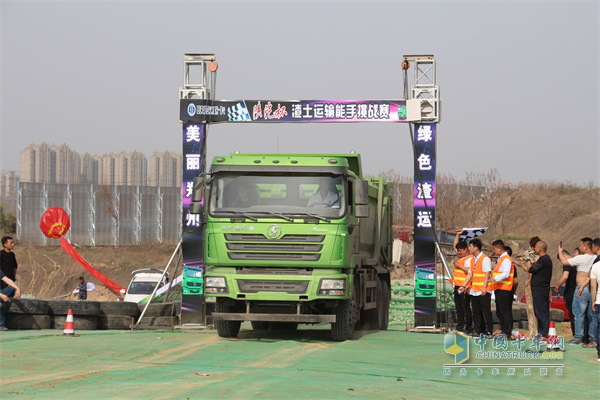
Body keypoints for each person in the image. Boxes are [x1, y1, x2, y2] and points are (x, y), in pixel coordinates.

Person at [558, 237, 597, 345]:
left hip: (581, 288)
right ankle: (592, 339)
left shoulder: (582, 258)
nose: (579, 248)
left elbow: (564, 261)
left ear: (585, 247)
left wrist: (560, 252)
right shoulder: (596, 258)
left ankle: (578, 337)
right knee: (592, 316)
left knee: (579, 314)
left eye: (580, 246)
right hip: (593, 289)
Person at [460, 238, 493, 337]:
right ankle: (478, 330)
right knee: (476, 312)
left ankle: (489, 330)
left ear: (476, 248)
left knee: (486, 311)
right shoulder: (472, 259)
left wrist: (484, 287)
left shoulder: (485, 259)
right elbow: (470, 274)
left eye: (470, 246)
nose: (469, 248)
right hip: (475, 290)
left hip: (483, 290)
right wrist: (463, 285)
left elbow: (487, 273)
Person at [523, 241, 552, 338]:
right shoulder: (542, 260)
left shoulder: (544, 259)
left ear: (539, 249)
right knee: (537, 311)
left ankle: (544, 333)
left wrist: (527, 258)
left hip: (541, 289)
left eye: (535, 248)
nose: (534, 250)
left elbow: (531, 270)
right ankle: (541, 333)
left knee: (541, 311)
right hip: (538, 289)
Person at [514, 236, 540, 339]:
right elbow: (527, 269)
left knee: (533, 309)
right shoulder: (534, 256)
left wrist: (528, 258)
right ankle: (532, 331)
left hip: (533, 285)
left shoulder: (536, 257)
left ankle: (535, 332)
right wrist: (520, 264)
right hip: (529, 283)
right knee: (530, 309)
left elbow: (530, 269)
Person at [490, 240, 514, 337]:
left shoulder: (506, 259)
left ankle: (507, 332)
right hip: (499, 288)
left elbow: (506, 273)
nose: (494, 251)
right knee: (500, 312)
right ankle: (504, 330)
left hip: (504, 289)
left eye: (494, 249)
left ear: (499, 248)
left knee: (505, 311)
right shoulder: (500, 259)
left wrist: (494, 278)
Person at [451, 239, 474, 333]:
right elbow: (454, 246)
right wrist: (457, 235)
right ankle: (460, 325)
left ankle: (468, 326)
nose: (458, 252)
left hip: (464, 286)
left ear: (465, 249)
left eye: (460, 250)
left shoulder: (470, 258)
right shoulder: (461, 257)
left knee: (465, 308)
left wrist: (458, 265)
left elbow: (470, 272)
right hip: (457, 285)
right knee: (459, 308)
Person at [555, 249, 578, 335]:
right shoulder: (577, 262)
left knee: (572, 315)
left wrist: (557, 286)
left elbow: (565, 276)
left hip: (571, 292)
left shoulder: (567, 263)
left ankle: (576, 335)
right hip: (580, 290)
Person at [589, 238, 600, 362]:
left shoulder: (596, 266)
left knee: (599, 328)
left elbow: (593, 285)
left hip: (599, 301)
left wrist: (593, 300)